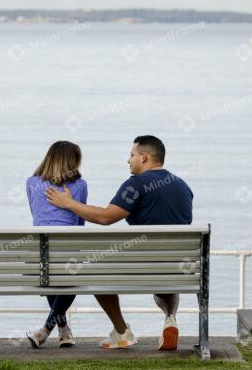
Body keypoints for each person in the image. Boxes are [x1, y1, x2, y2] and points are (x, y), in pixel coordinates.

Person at [45, 135, 193, 350]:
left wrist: (69, 203)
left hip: (142, 266)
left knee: (93, 269)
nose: (128, 160)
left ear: (144, 157)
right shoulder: (182, 186)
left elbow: (106, 218)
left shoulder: (136, 184)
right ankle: (170, 319)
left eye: (132, 155)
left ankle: (122, 331)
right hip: (178, 267)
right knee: (166, 273)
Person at [25, 141, 88, 348]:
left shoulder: (31, 182)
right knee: (70, 278)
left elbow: (36, 215)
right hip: (68, 251)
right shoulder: (79, 186)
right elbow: (80, 221)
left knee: (50, 271)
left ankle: (59, 330)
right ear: (74, 162)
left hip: (40, 251)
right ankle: (50, 330)